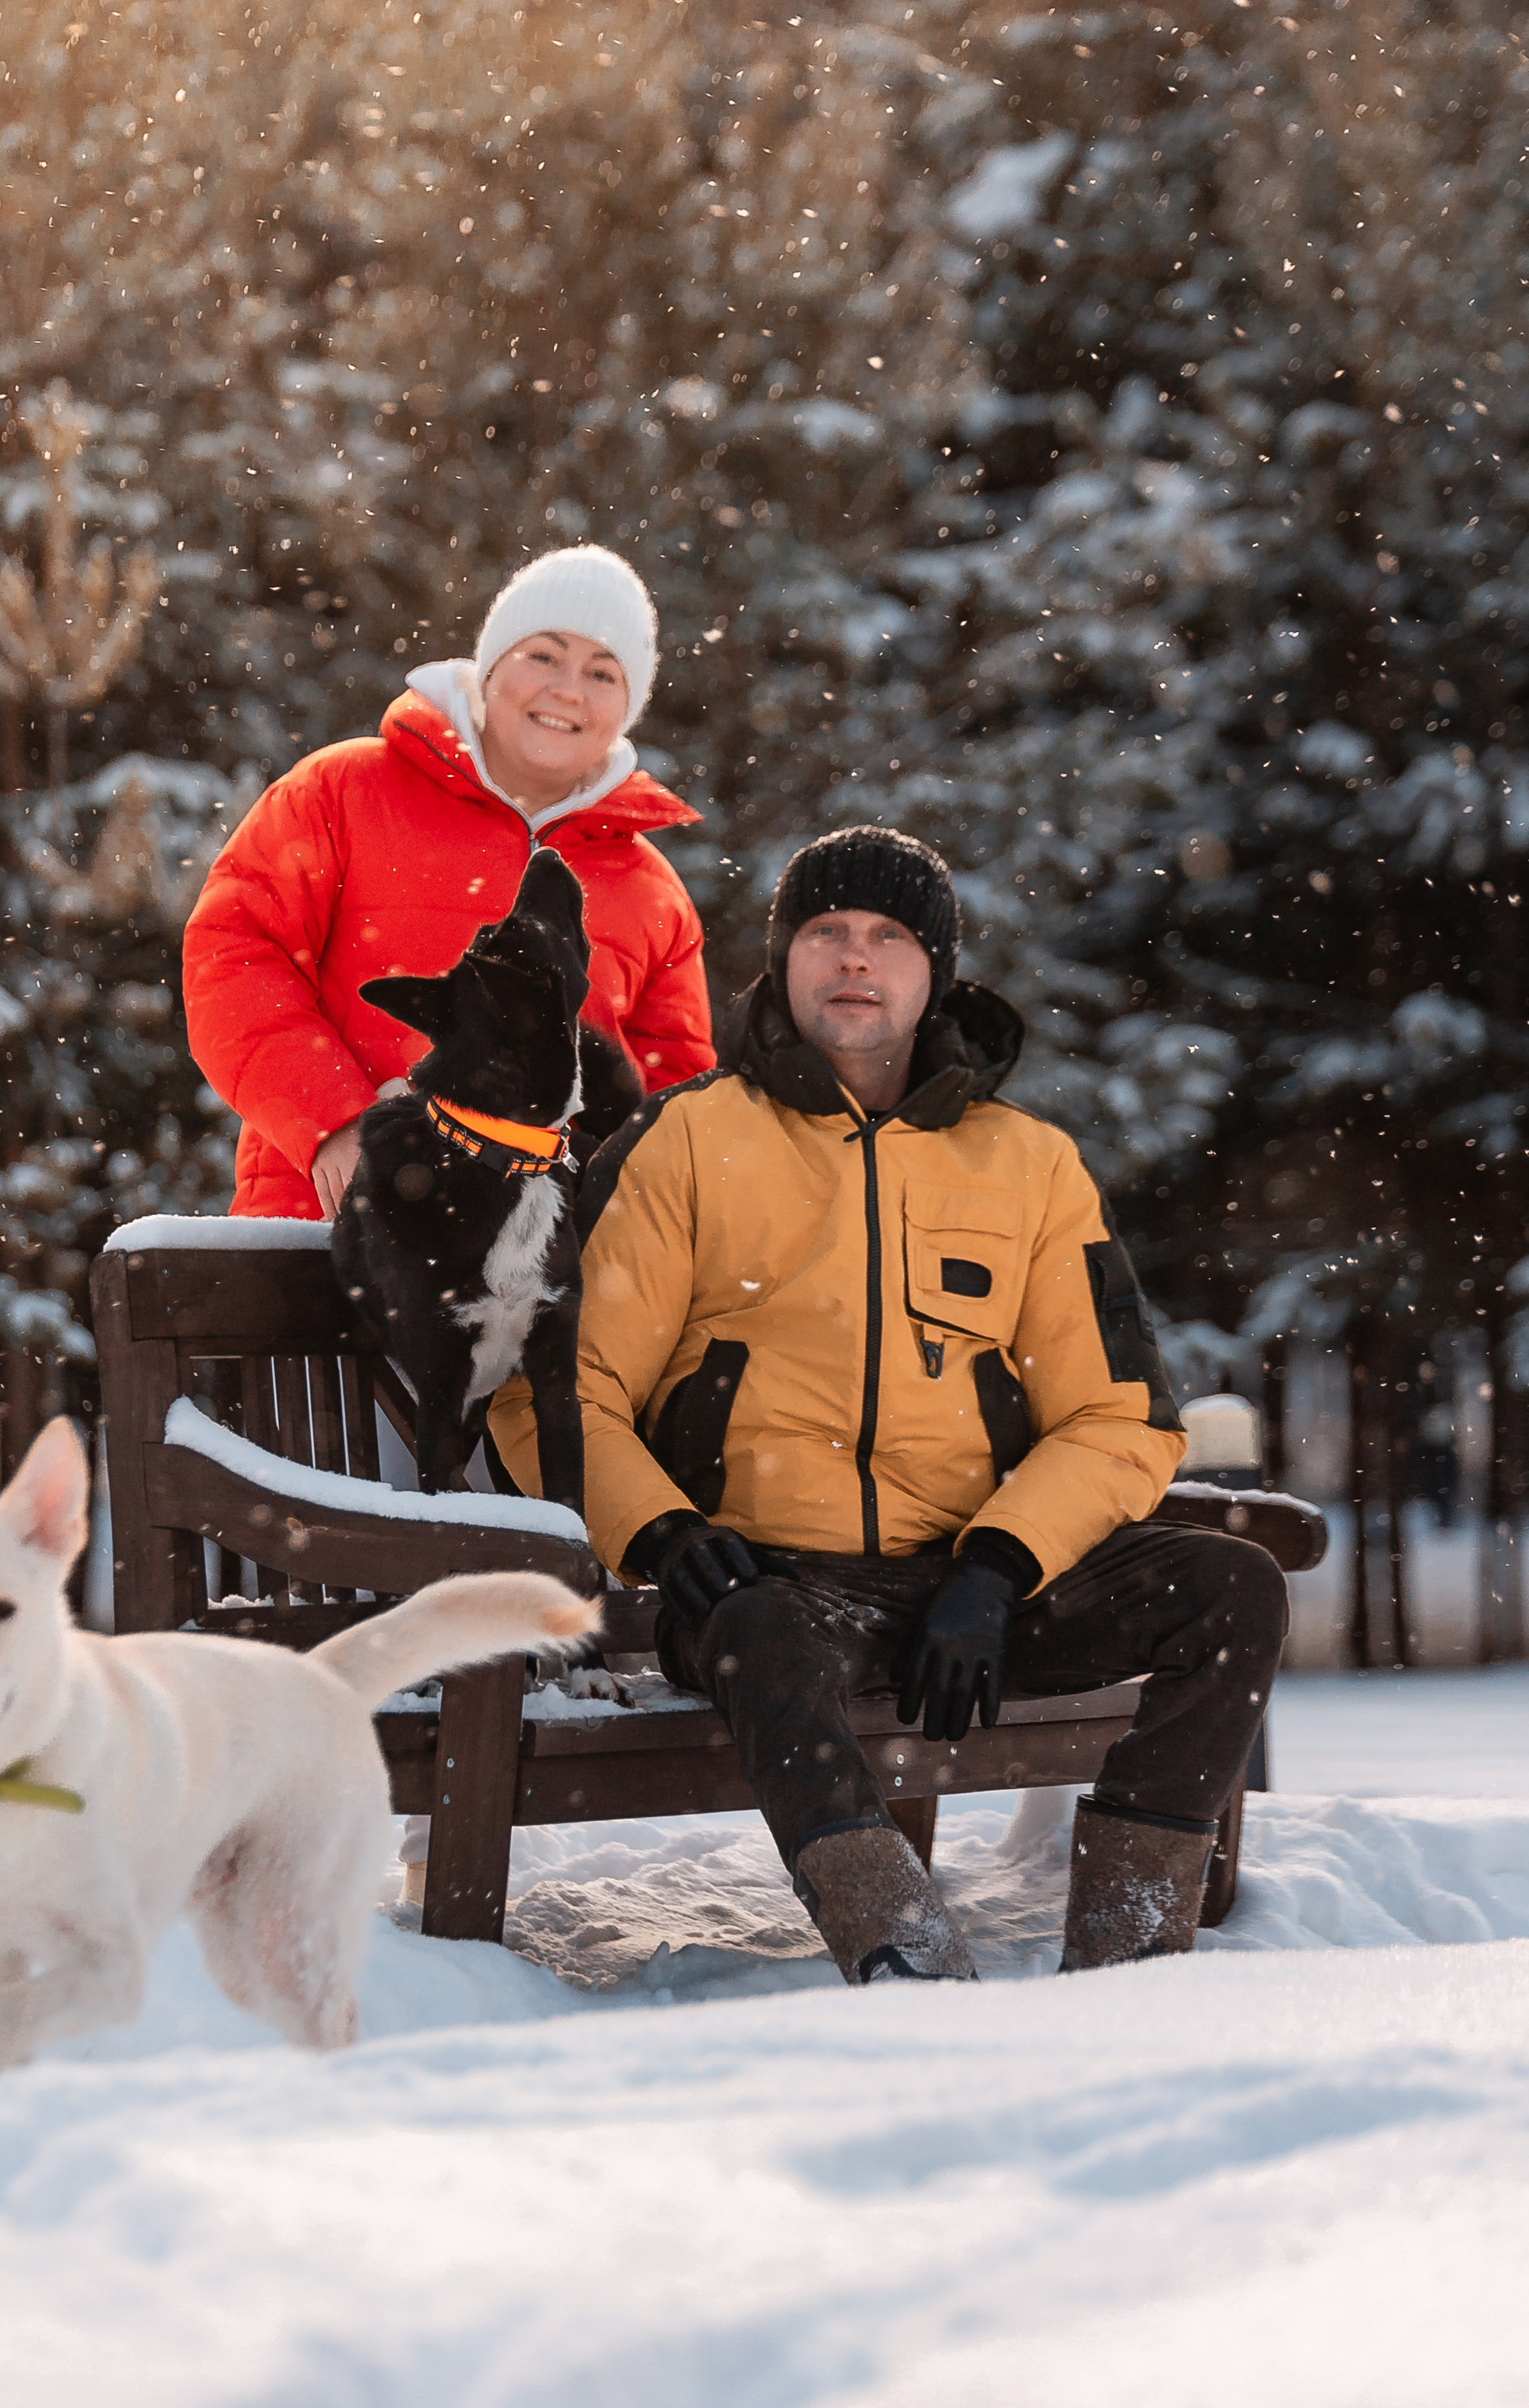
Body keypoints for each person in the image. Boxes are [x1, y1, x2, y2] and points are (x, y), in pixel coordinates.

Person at [490, 826, 1289, 1985]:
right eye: (826, 933)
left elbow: (1121, 1419)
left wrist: (999, 1567)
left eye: (888, 937)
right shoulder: (684, 1144)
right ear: (784, 961)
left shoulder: (1029, 1167)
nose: (854, 959)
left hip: (971, 1591)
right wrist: (664, 1534)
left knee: (1233, 1589)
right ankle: (903, 1955)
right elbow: (558, 1393)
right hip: (773, 1589)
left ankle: (1129, 1961)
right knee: (761, 1627)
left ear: (936, 972)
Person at [183, 545, 714, 1218]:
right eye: (544, 656)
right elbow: (234, 954)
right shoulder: (343, 790)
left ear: (628, 705)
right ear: (493, 665)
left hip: (533, 1282)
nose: (569, 690)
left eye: (603, 673)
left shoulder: (651, 890)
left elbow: (674, 1106)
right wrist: (335, 1119)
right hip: (318, 1239)